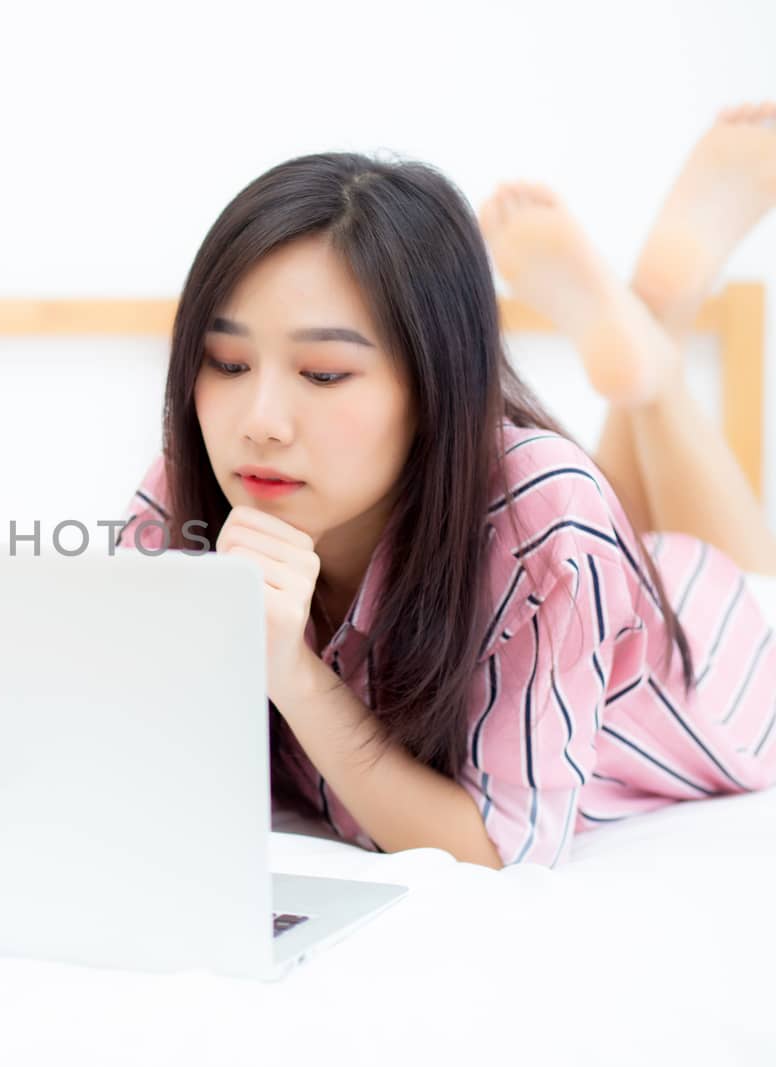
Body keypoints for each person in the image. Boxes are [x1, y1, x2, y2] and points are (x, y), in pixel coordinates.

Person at [114, 102, 776, 868]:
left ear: (435, 384)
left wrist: (292, 673)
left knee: (741, 573)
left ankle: (655, 348)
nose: (258, 421)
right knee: (575, 510)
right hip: (580, 578)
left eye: (323, 373)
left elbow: (500, 851)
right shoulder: (186, 493)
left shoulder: (546, 517)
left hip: (721, 655)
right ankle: (647, 339)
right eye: (226, 364)